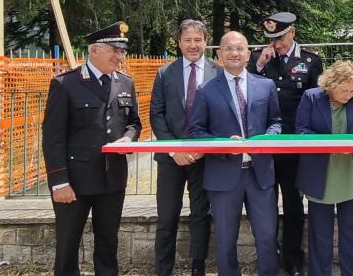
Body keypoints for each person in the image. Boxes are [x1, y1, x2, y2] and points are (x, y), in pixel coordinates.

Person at [42, 21, 142, 276]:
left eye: (122, 52)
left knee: (108, 243)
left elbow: (133, 122)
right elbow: (53, 137)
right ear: (94, 50)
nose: (119, 57)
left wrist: (129, 139)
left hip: (112, 179)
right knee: (67, 245)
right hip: (75, 182)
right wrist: (59, 182)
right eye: (114, 50)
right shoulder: (67, 84)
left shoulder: (125, 83)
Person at [188, 31, 282, 276]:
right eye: (228, 48)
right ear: (219, 55)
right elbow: (196, 131)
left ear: (248, 54)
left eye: (240, 48)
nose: (234, 53)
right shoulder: (206, 91)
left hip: (260, 174)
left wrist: (270, 137)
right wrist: (221, 143)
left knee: (267, 235)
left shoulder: (266, 85)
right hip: (223, 175)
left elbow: (276, 121)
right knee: (226, 239)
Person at [247, 12, 323, 276]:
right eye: (271, 39)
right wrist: (258, 66)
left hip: (293, 145)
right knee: (264, 204)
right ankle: (268, 254)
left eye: (279, 37)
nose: (276, 44)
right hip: (265, 143)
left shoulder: (311, 60)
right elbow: (244, 91)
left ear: (292, 32)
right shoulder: (258, 59)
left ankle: (293, 258)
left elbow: (317, 102)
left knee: (292, 203)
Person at [295, 61, 353, 276]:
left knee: (350, 231)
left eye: (352, 90)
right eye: (344, 90)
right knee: (320, 233)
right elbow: (301, 131)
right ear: (331, 84)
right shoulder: (311, 97)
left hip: (350, 173)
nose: (348, 95)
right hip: (319, 173)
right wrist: (331, 146)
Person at [150, 20, 221, 276]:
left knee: (201, 215)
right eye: (188, 40)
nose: (193, 45)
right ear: (179, 43)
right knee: (167, 217)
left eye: (198, 39)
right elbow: (157, 115)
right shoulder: (164, 73)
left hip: (203, 158)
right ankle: (163, 270)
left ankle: (197, 268)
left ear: (205, 41)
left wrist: (205, 148)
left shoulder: (218, 73)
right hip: (171, 159)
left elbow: (220, 116)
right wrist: (173, 150)